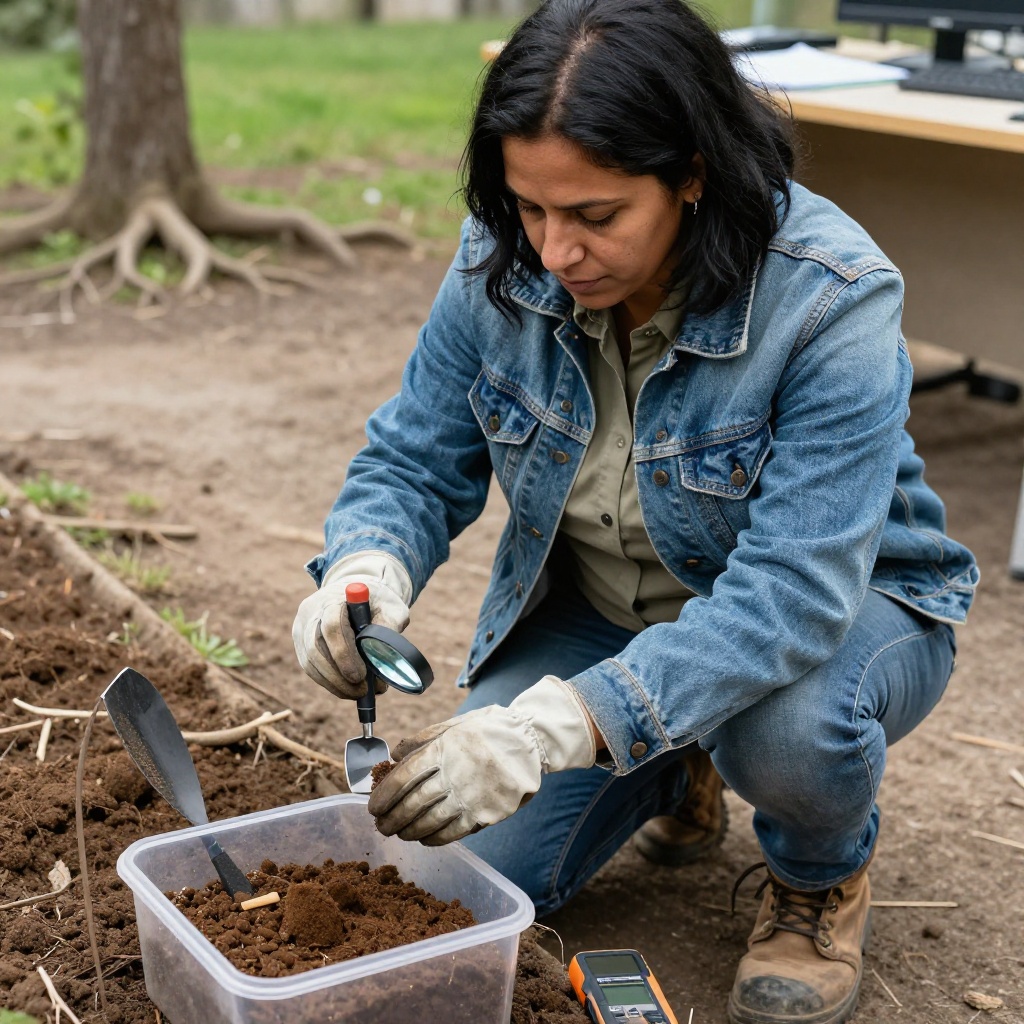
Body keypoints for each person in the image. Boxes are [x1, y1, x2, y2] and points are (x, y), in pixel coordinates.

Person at [292, 0, 978, 1020]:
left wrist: (555, 723)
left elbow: (790, 597)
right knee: (458, 873)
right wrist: (364, 567)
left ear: (692, 171)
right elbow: (413, 454)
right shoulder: (502, 259)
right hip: (610, 609)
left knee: (784, 727)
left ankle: (816, 873)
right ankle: (670, 762)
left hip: (846, 611)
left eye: (596, 216)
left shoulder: (831, 297)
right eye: (530, 208)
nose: (555, 251)